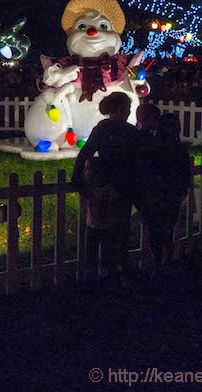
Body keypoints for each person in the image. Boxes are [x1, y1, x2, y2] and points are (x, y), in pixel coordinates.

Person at [73, 92, 139, 283]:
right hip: (106, 184)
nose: (127, 112)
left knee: (118, 229)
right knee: (100, 228)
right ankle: (99, 270)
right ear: (117, 109)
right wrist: (79, 177)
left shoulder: (128, 131)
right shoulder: (105, 129)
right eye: (126, 109)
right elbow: (87, 152)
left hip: (121, 186)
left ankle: (112, 268)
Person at [141, 113, 191, 272]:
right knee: (155, 230)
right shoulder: (155, 148)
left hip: (172, 195)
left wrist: (181, 189)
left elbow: (185, 171)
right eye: (170, 125)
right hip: (156, 196)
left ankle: (167, 260)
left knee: (169, 229)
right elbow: (149, 170)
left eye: (176, 125)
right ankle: (157, 261)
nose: (174, 128)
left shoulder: (180, 149)